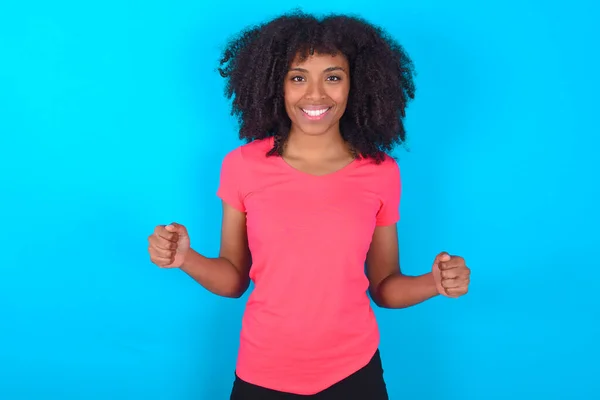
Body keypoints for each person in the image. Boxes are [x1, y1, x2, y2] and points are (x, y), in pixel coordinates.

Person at [147, 10, 471, 400]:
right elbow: (234, 279)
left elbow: (384, 286)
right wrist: (185, 259)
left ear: (357, 85)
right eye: (298, 78)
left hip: (354, 372)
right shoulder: (242, 167)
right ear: (275, 85)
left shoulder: (381, 173)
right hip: (262, 372)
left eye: (333, 77)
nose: (315, 95)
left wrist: (433, 284)